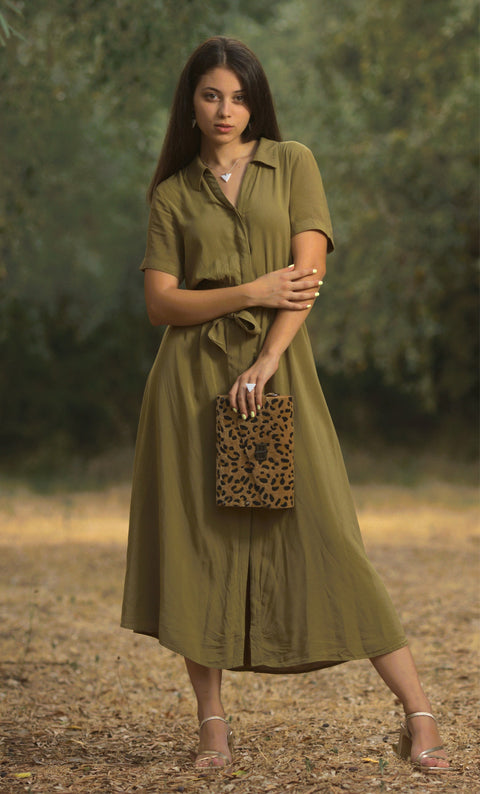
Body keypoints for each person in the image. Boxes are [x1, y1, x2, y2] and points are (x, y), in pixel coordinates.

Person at [121, 36, 450, 773]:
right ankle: (212, 730)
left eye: (238, 96)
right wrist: (249, 291)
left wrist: (268, 355)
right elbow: (161, 304)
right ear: (192, 104)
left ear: (255, 100)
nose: (225, 110)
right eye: (211, 96)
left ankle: (419, 716)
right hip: (189, 387)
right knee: (195, 549)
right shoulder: (173, 192)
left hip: (279, 375)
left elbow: (309, 270)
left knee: (329, 533)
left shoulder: (293, 161)